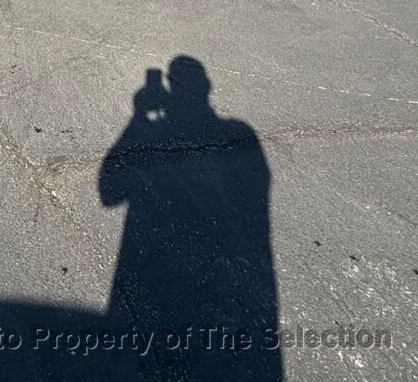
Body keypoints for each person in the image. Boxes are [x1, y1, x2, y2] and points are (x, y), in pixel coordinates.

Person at [98, 57, 282, 381]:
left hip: (155, 271)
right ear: (207, 88)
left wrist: (138, 117)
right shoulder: (241, 133)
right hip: (234, 290)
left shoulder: (235, 132)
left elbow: (109, 193)